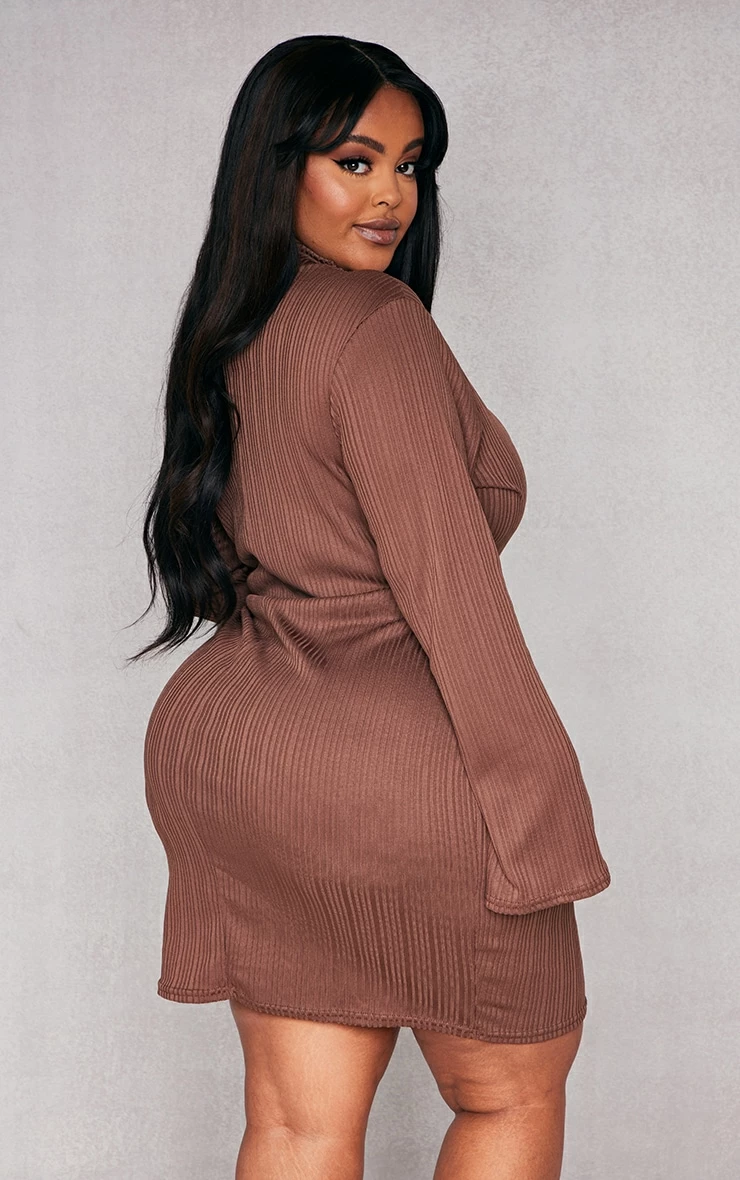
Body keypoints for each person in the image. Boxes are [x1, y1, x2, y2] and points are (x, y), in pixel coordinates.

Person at [132, 34, 611, 1180]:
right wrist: (539, 816)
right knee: (509, 1092)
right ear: (277, 164)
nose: (391, 194)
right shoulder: (373, 326)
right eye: (354, 160)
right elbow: (452, 594)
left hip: (236, 757)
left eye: (409, 165)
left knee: (296, 1123)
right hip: (385, 771)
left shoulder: (231, 328)